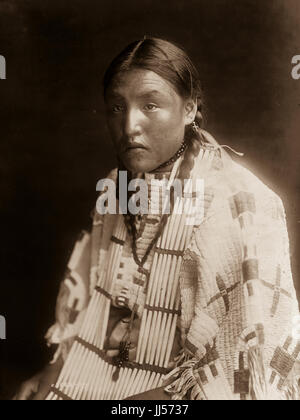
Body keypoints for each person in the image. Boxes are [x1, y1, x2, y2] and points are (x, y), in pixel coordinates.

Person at [14, 36, 300, 400]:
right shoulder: (118, 188)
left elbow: (239, 367)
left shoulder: (237, 202)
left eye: (150, 105)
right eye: (116, 108)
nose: (129, 125)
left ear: (190, 109)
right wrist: (51, 373)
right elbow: (90, 297)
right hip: (98, 381)